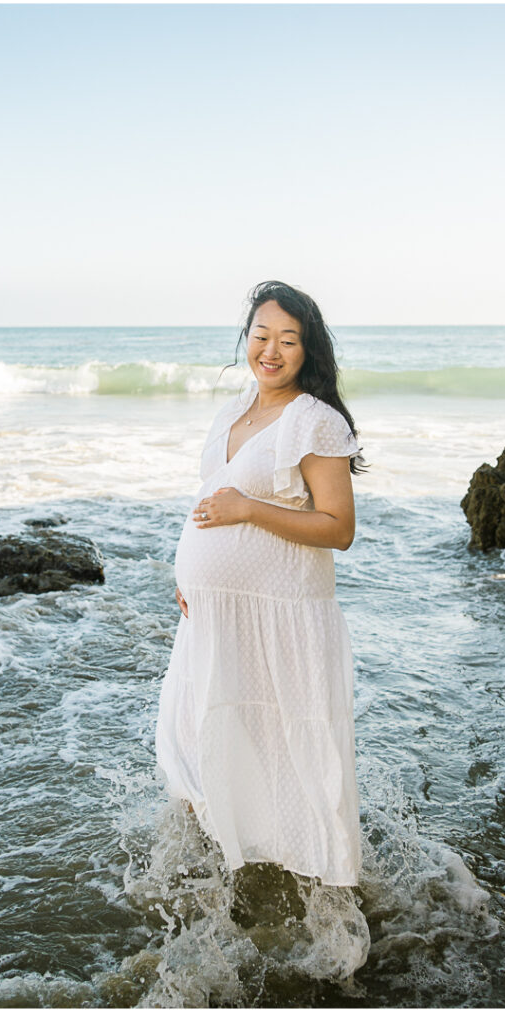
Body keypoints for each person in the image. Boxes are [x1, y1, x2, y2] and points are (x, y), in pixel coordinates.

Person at [155, 280, 368, 887]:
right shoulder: (234, 410)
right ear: (247, 338)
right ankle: (245, 865)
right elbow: (210, 499)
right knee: (203, 734)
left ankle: (317, 884)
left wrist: (248, 511)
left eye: (289, 340)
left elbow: (338, 527)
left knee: (287, 751)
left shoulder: (315, 422)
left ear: (310, 350)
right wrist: (190, 572)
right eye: (261, 335)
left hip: (282, 616)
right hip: (216, 616)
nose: (271, 350)